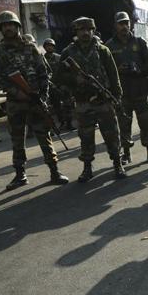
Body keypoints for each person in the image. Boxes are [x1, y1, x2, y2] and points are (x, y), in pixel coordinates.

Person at [0, 11, 68, 190]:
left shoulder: (30, 47)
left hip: (36, 100)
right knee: (17, 139)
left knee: (44, 136)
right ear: (1, 29)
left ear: (18, 26)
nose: (8, 27)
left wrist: (43, 95)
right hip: (15, 103)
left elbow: (44, 72)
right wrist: (16, 92)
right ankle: (20, 174)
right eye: (4, 25)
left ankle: (54, 171)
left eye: (11, 24)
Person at [57, 16, 127, 181]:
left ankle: (118, 164)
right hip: (83, 101)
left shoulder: (102, 50)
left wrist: (116, 96)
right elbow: (58, 77)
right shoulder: (68, 52)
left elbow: (113, 74)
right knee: (86, 137)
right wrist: (75, 80)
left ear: (93, 30)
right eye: (81, 30)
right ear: (76, 32)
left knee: (111, 134)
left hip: (103, 100)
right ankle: (87, 168)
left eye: (88, 29)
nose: (85, 33)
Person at [105, 12, 148, 165]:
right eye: (121, 23)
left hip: (140, 91)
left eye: (126, 23)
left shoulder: (139, 42)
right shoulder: (109, 46)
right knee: (124, 124)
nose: (124, 26)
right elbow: (105, 70)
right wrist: (118, 69)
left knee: (145, 122)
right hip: (122, 93)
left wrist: (139, 69)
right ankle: (126, 154)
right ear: (115, 26)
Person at [43, 38, 74, 131]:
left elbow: (66, 70)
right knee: (56, 107)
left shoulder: (59, 57)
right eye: (47, 46)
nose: (49, 47)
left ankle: (69, 123)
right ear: (44, 47)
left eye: (51, 45)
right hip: (51, 86)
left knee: (67, 104)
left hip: (62, 85)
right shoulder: (42, 58)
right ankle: (62, 123)